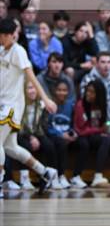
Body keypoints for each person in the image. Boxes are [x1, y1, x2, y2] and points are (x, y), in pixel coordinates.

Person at [0, 17, 57, 199]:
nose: (1, 38)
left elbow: (31, 77)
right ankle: (46, 172)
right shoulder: (1, 51)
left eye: (4, 35)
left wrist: (46, 99)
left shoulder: (18, 51)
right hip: (2, 103)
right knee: (10, 147)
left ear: (12, 35)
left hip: (11, 106)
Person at [73, 79, 110, 188]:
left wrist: (106, 128)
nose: (88, 94)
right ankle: (90, 176)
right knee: (88, 143)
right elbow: (81, 130)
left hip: (94, 135)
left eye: (92, 92)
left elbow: (105, 124)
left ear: (99, 94)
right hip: (82, 135)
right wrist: (100, 130)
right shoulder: (81, 105)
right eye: (88, 91)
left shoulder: (102, 106)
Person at [17, 81, 61, 190]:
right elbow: (19, 126)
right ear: (23, 90)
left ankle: (52, 177)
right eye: (29, 88)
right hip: (21, 134)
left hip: (37, 133)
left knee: (49, 145)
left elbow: (43, 125)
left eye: (34, 88)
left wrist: (36, 137)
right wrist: (31, 137)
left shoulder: (41, 104)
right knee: (25, 146)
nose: (32, 91)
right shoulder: (19, 104)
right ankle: (24, 179)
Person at [46, 80, 76, 189]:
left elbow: (73, 123)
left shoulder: (70, 105)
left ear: (68, 92)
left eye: (64, 90)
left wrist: (73, 133)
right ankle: (58, 175)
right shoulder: (50, 105)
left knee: (83, 143)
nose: (62, 93)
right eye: (59, 90)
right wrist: (60, 135)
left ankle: (75, 177)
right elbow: (47, 126)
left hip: (66, 134)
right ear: (55, 91)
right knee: (59, 144)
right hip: (53, 135)